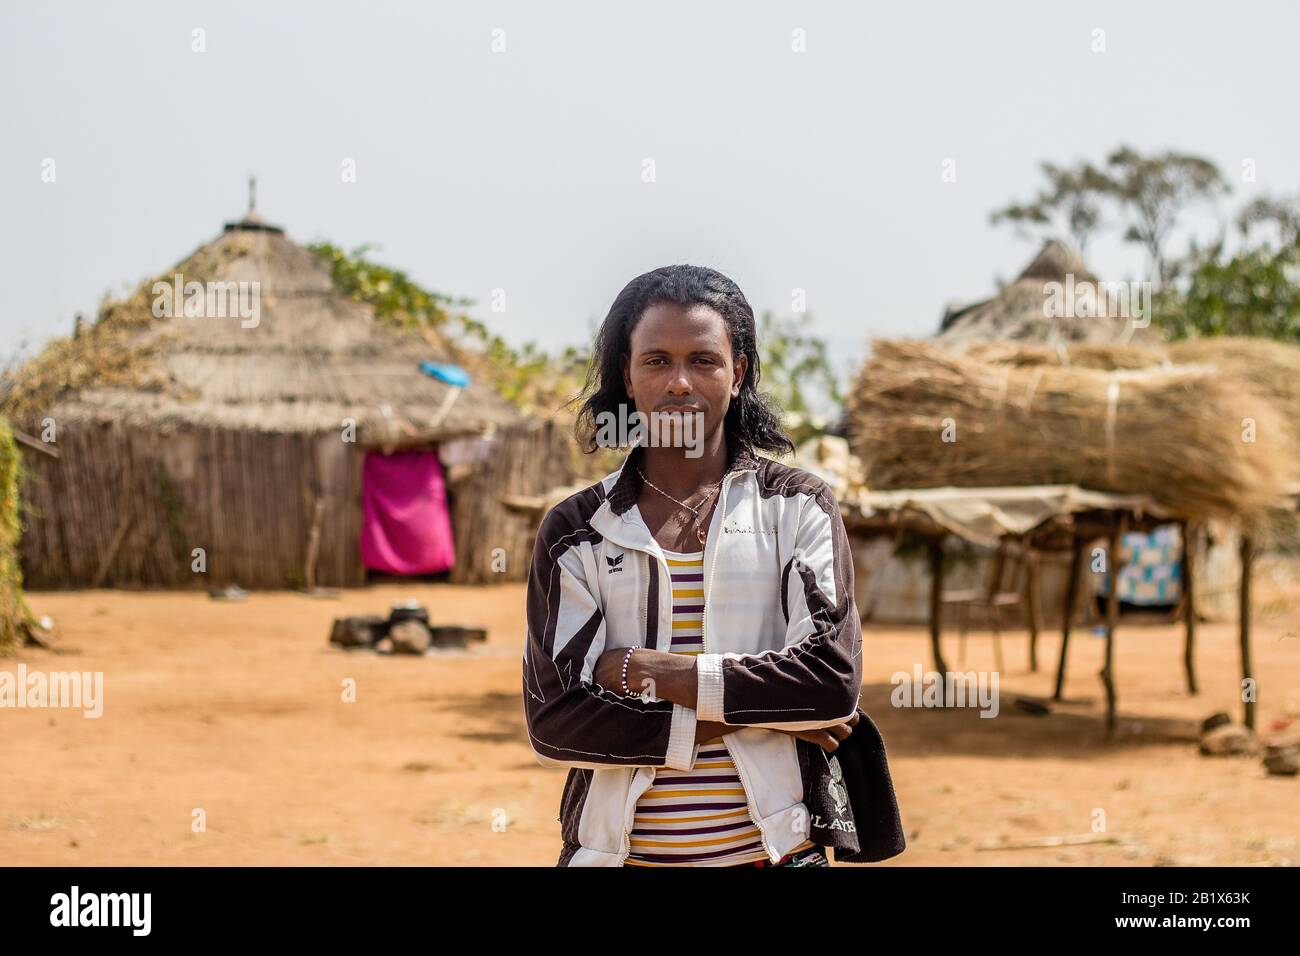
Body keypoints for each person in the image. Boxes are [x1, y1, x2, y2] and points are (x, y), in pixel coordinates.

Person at [523, 264, 865, 867]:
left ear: (739, 374)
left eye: (703, 360)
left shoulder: (797, 508)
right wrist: (763, 714)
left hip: (775, 855)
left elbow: (829, 685)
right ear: (626, 377)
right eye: (656, 360)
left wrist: (644, 670)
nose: (679, 382)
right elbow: (557, 721)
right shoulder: (575, 532)